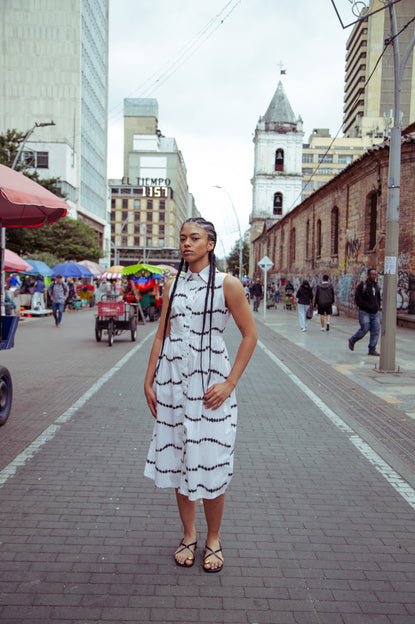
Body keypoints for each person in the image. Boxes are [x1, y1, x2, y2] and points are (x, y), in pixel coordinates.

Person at [144, 217, 257, 573]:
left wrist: (229, 384)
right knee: (180, 460)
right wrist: (148, 381)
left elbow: (249, 336)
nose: (186, 244)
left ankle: (213, 538)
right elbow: (161, 336)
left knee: (212, 462)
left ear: (210, 244)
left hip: (212, 390)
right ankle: (189, 535)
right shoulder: (172, 285)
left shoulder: (229, 285)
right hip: (173, 384)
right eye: (182, 238)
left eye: (195, 238)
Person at [348, 268, 381, 356]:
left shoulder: (376, 286)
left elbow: (378, 297)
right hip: (364, 311)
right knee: (365, 328)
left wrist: (377, 306)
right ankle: (352, 340)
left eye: (375, 275)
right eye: (372, 274)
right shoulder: (362, 285)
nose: (374, 276)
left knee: (376, 330)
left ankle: (372, 349)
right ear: (368, 275)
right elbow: (358, 299)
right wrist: (368, 306)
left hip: (375, 312)